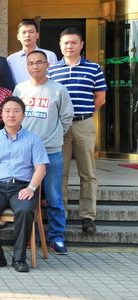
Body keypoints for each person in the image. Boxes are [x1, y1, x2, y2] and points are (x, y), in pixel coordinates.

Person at [0, 96, 48, 273]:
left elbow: (41, 168)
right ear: (1, 114)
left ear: (23, 115)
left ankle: (19, 259)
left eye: (16, 111)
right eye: (7, 111)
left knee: (25, 210)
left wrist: (31, 188)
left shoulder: (33, 139)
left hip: (22, 187)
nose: (11, 115)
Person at [48, 27, 107, 235]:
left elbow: (100, 98)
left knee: (87, 172)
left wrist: (84, 112)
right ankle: (60, 215)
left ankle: (88, 216)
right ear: (60, 45)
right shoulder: (52, 70)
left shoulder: (94, 68)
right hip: (59, 127)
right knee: (60, 172)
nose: (69, 46)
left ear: (81, 45)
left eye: (73, 42)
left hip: (84, 124)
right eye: (65, 43)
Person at [13, 50, 73, 255]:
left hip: (51, 152)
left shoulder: (58, 89)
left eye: (39, 62)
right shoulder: (20, 89)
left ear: (47, 65)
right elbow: (14, 116)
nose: (35, 66)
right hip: (25, 152)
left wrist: (55, 136)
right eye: (31, 63)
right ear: (27, 67)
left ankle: (57, 237)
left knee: (54, 196)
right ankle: (32, 236)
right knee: (28, 196)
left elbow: (66, 117)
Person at [7, 20, 58, 85]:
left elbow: (54, 78)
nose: (27, 35)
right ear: (18, 37)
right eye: (24, 32)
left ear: (37, 35)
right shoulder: (11, 59)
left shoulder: (49, 55)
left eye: (31, 32)